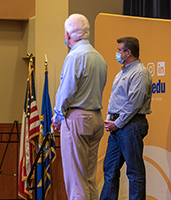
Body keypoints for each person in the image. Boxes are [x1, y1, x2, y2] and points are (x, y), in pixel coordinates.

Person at [51, 14, 107, 200]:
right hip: (96, 118)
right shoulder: (99, 58)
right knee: (89, 180)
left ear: (67, 35)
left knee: (76, 182)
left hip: (77, 119)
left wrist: (58, 116)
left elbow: (66, 91)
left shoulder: (74, 57)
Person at [100, 37, 152, 200]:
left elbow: (133, 104)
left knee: (134, 172)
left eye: (119, 50)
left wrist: (117, 123)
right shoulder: (121, 72)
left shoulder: (140, 72)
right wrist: (110, 119)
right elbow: (114, 99)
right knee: (110, 169)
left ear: (128, 53)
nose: (117, 53)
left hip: (131, 124)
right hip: (118, 125)